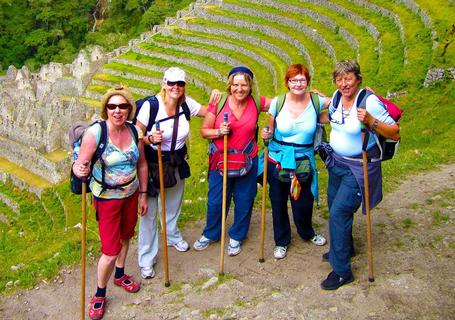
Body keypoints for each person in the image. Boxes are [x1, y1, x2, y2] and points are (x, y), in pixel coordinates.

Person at [318, 60, 400, 290]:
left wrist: (371, 121)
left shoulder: (369, 101)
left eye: (348, 78)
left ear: (358, 79)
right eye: (339, 79)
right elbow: (332, 118)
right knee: (334, 207)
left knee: (338, 212)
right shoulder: (336, 98)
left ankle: (342, 271)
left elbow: (395, 132)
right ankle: (345, 247)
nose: (344, 83)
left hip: (358, 166)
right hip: (337, 163)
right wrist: (308, 115)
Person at [72, 85, 148, 320]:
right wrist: (79, 168)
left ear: (129, 109)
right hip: (107, 199)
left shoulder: (135, 131)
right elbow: (79, 164)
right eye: (112, 106)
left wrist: (143, 193)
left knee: (126, 236)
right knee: (110, 249)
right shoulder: (95, 133)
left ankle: (120, 274)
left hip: (131, 194)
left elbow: (142, 164)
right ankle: (99, 293)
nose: (118, 110)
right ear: (106, 109)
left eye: (123, 106)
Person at [136, 67, 213, 279]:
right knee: (149, 213)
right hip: (152, 164)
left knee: (172, 205)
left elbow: (210, 111)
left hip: (176, 161)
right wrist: (150, 139)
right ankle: (146, 258)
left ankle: (171, 235)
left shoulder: (186, 104)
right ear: (164, 83)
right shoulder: (151, 107)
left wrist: (221, 98)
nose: (175, 88)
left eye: (179, 84)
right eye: (171, 83)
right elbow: (136, 134)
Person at [193, 66, 271, 256]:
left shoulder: (257, 102)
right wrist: (219, 131)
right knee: (216, 201)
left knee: (245, 199)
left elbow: (283, 104)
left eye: (244, 84)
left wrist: (308, 95)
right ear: (230, 85)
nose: (239, 89)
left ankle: (237, 235)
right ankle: (211, 233)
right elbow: (204, 131)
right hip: (220, 161)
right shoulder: (218, 103)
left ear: (250, 85)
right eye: (235, 84)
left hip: (247, 160)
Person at [259, 64, 329, 260]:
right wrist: (266, 134)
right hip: (279, 158)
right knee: (278, 201)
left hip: (303, 159)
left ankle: (307, 232)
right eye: (294, 80)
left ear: (308, 81)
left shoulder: (316, 101)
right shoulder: (278, 103)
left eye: (302, 79)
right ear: (287, 83)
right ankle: (281, 241)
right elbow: (270, 132)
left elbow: (340, 102)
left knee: (303, 201)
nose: (298, 83)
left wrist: (365, 93)